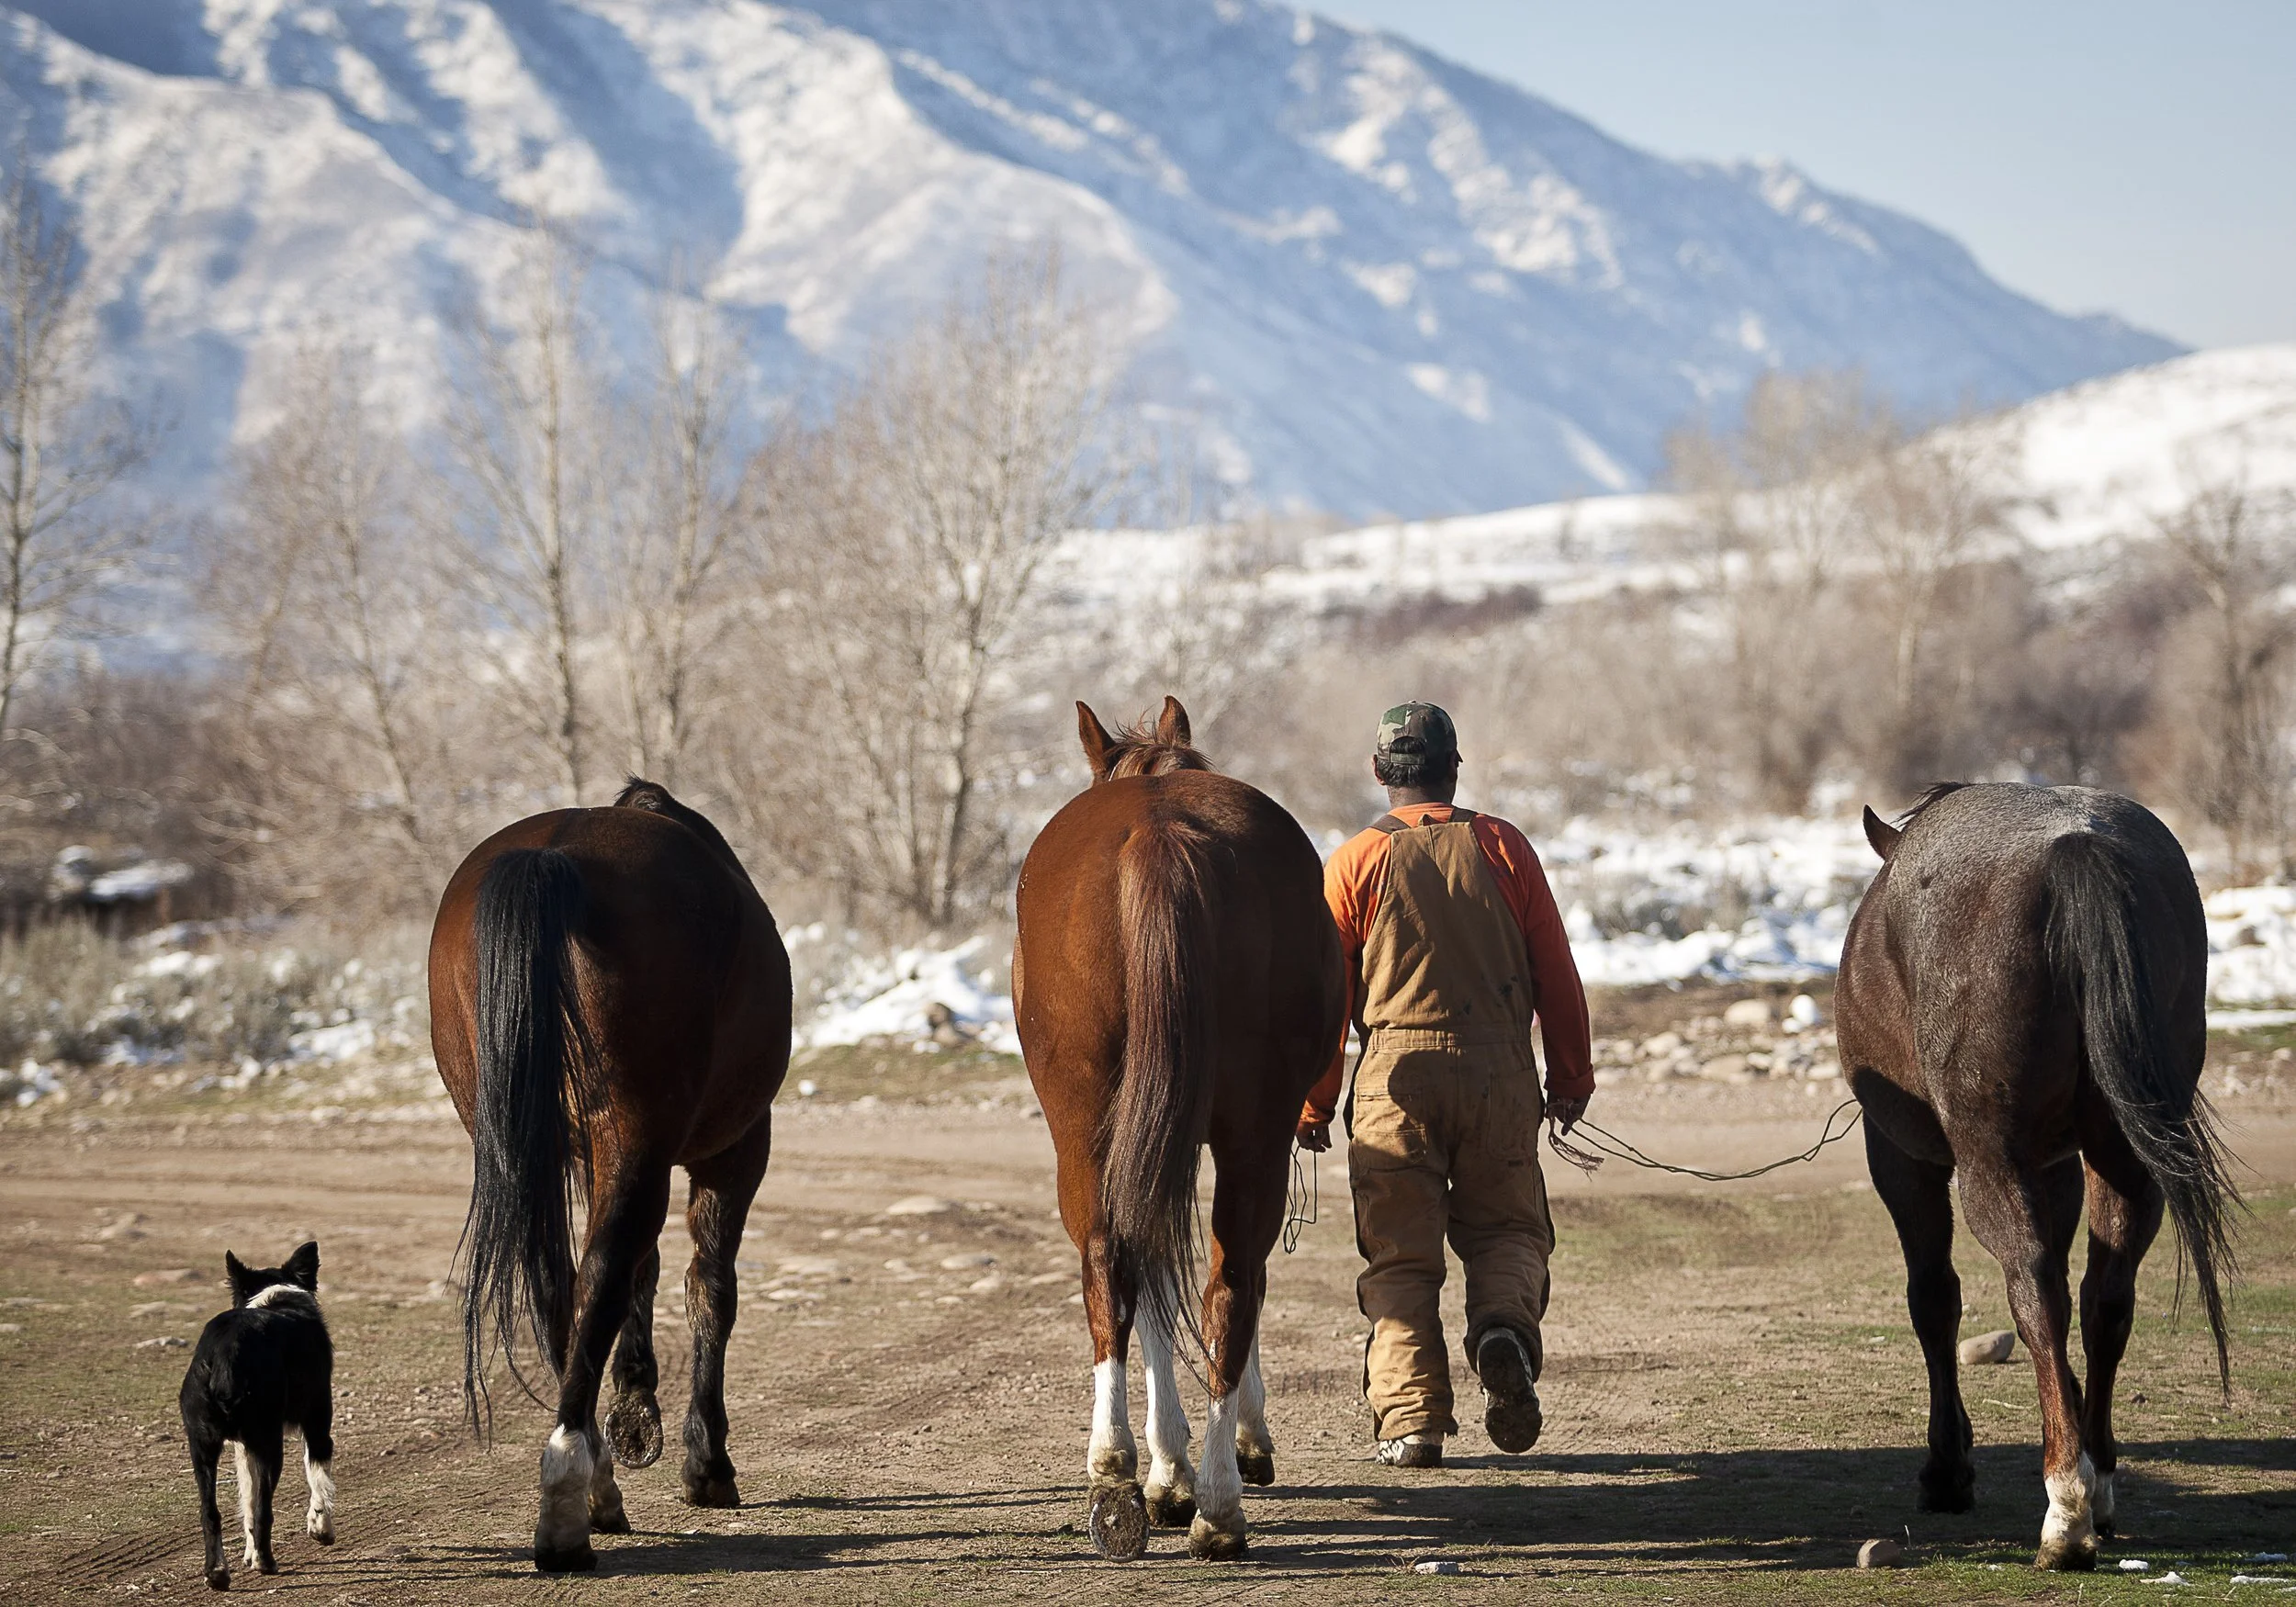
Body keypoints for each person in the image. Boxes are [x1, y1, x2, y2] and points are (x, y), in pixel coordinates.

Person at [1297, 702, 1593, 1468]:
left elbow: (1328, 1003)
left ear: (1378, 772)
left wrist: (1313, 1103)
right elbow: (1555, 973)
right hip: (1499, 1072)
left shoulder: (1352, 861)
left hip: (1394, 1077)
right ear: (1454, 767)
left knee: (1400, 1257)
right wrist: (1570, 1077)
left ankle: (1412, 1422)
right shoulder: (1503, 846)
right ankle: (1502, 1331)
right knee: (1507, 1230)